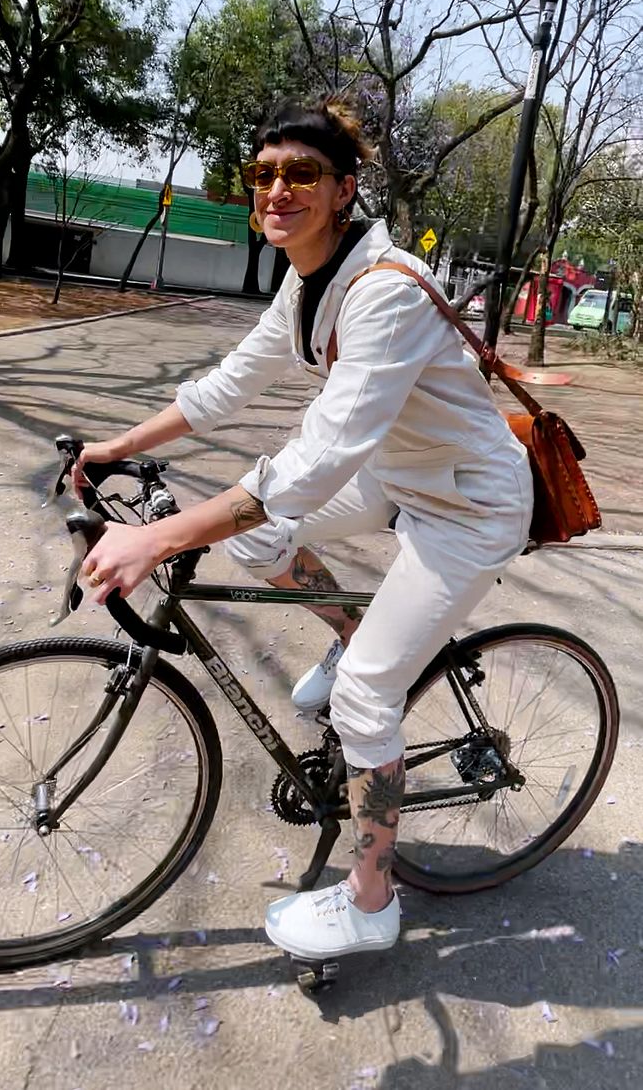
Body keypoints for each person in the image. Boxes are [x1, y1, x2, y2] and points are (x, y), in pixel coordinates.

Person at [73, 95, 533, 965]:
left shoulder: (383, 290)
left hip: (470, 506)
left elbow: (315, 464)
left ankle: (371, 898)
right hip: (401, 477)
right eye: (265, 173)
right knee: (255, 539)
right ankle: (357, 633)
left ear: (344, 190)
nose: (278, 189)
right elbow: (228, 386)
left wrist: (160, 539)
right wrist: (115, 445)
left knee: (363, 695)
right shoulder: (306, 278)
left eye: (302, 174)